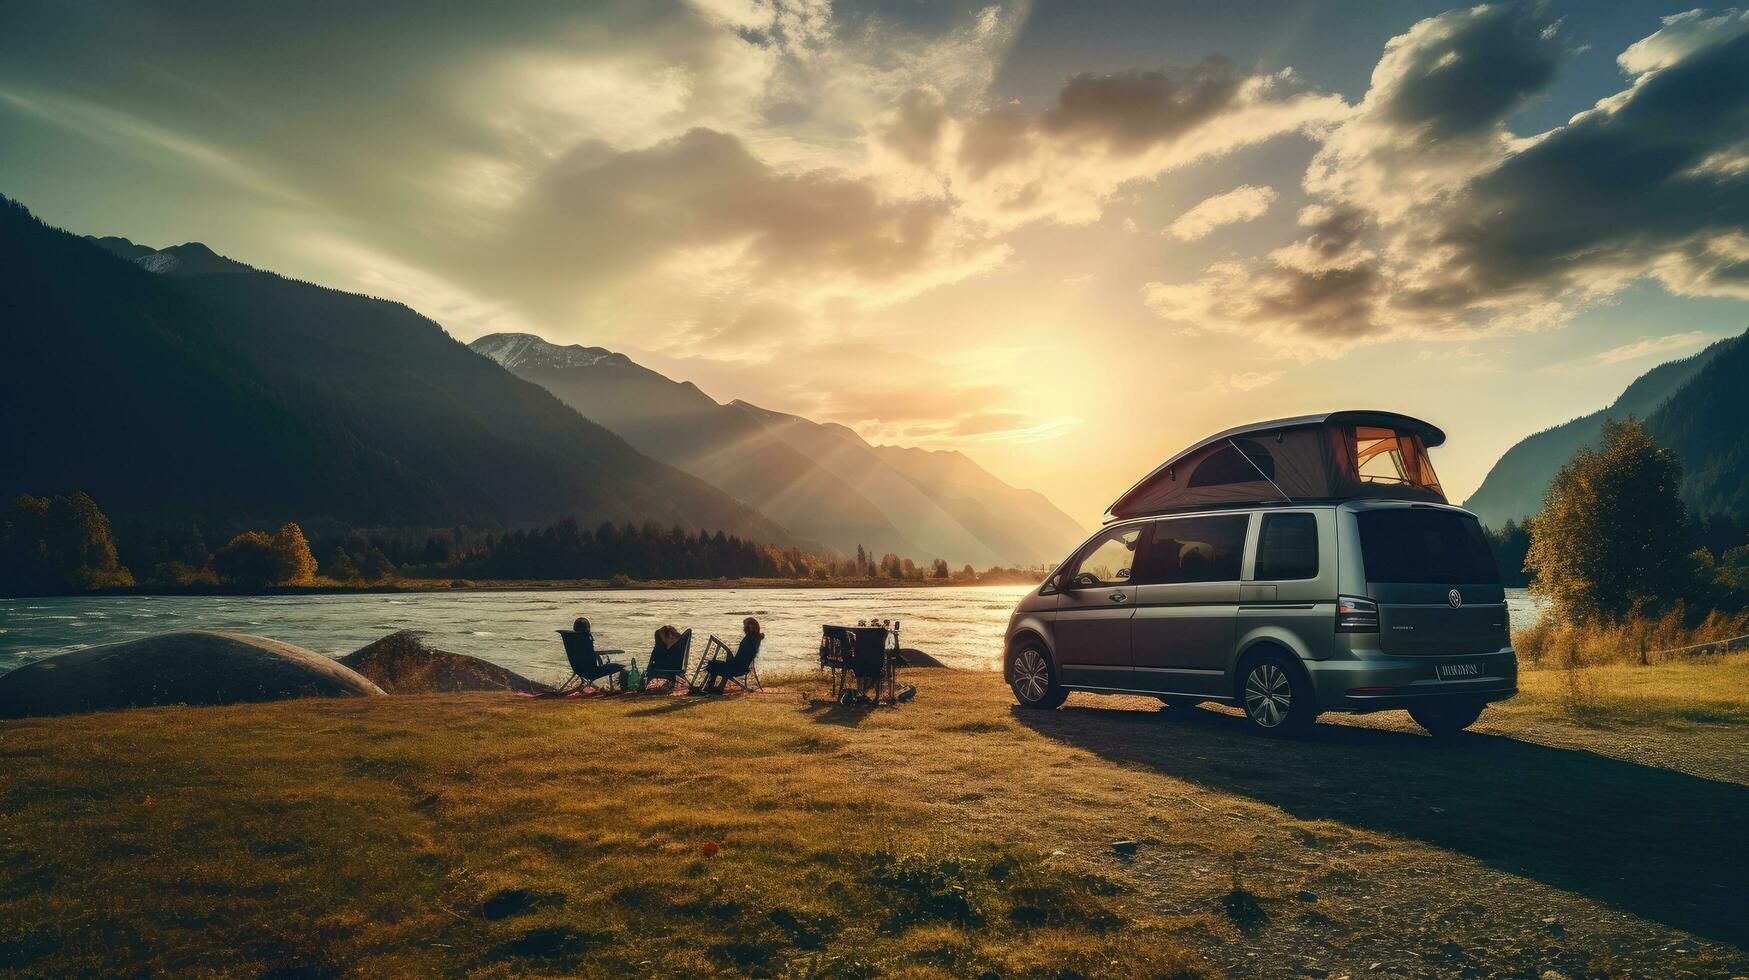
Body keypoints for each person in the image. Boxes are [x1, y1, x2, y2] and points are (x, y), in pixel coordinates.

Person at [695, 616, 762, 695]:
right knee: (716, 663)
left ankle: (713, 686)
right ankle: (714, 686)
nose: (743, 628)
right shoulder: (755, 638)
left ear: (748, 627)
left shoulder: (749, 639)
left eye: (744, 626)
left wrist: (730, 659)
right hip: (741, 666)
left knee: (712, 664)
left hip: (738, 667)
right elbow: (743, 656)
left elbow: (742, 656)